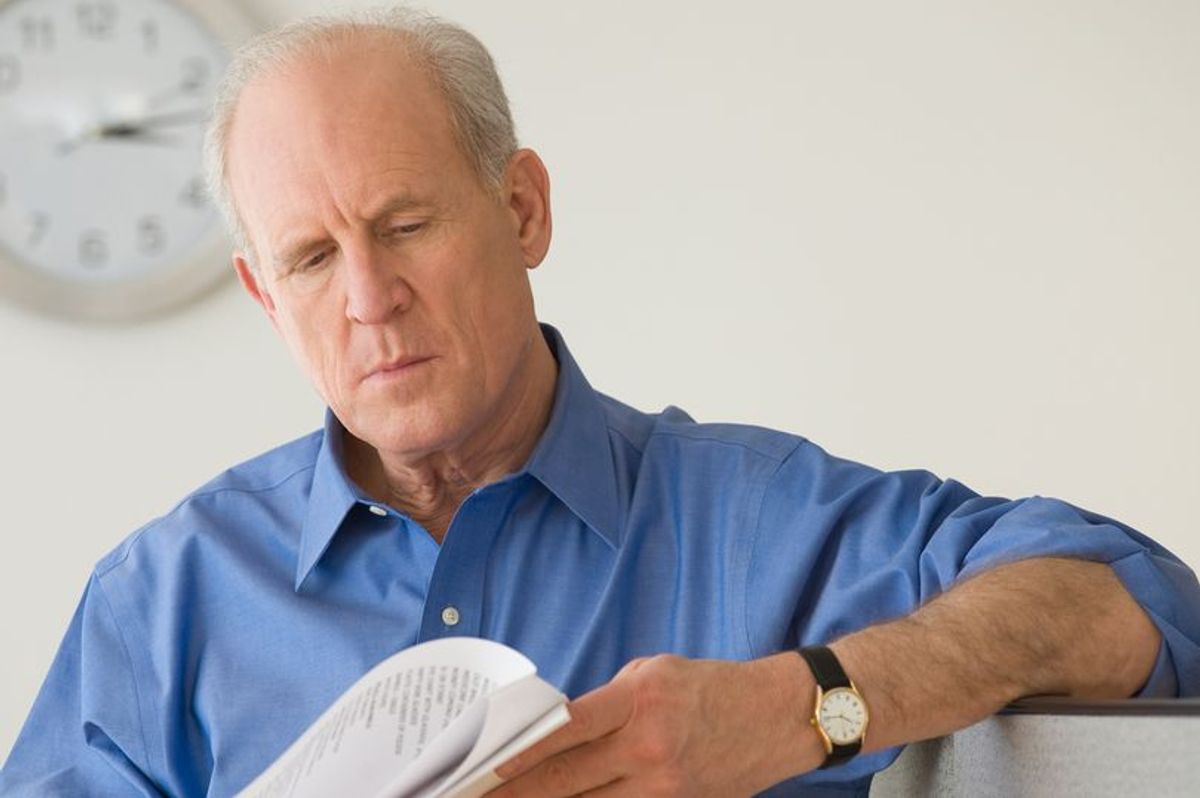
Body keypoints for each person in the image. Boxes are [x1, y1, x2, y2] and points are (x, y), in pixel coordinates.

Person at [3, 8, 1198, 797]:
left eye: (405, 224)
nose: (369, 299)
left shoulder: (762, 526)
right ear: (267, 297)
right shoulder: (164, 600)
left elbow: (1130, 606)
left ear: (522, 210)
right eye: (312, 259)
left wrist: (803, 707)